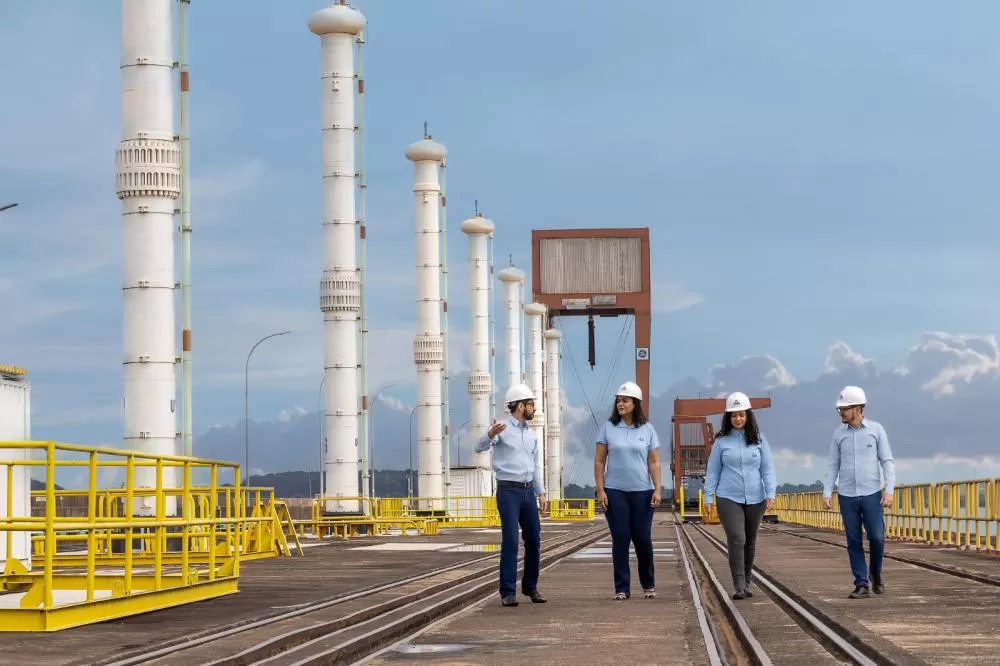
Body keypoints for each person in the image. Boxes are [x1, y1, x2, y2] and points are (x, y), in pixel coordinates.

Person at [474, 383, 548, 607]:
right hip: (508, 490)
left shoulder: (533, 435)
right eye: (531, 404)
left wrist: (541, 492)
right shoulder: (502, 428)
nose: (534, 408)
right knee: (511, 541)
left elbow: (535, 466)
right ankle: (508, 591)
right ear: (520, 406)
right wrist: (490, 433)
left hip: (528, 492)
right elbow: (478, 447)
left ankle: (530, 586)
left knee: (534, 539)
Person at [823, 385, 895, 599]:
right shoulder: (838, 435)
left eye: (845, 408)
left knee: (877, 537)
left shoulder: (876, 430)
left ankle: (876, 573)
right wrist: (827, 492)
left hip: (872, 493)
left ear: (858, 408)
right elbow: (833, 465)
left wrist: (888, 490)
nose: (841, 413)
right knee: (853, 540)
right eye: (840, 409)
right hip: (847, 495)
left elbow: (887, 462)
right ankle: (861, 583)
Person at [703, 391, 776, 600]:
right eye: (734, 415)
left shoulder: (759, 440)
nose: (738, 419)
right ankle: (739, 584)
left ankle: (747, 579)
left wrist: (770, 493)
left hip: (756, 498)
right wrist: (709, 497)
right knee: (737, 538)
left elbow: (767, 469)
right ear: (728, 417)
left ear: (748, 415)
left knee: (750, 541)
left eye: (741, 414)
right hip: (728, 497)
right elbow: (713, 471)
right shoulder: (721, 442)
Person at [594, 381, 662, 601]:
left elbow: (654, 463)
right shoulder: (608, 428)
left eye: (625, 400)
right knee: (621, 538)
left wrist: (657, 489)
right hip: (614, 491)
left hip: (642, 491)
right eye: (618, 400)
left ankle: (648, 584)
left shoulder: (647, 429)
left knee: (642, 538)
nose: (620, 403)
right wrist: (600, 490)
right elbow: (599, 461)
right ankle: (622, 587)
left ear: (635, 403)